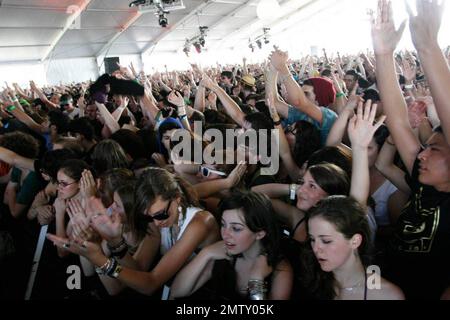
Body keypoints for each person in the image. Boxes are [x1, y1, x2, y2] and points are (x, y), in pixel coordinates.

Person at [371, 0, 450, 299]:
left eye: (437, 150)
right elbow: (399, 125)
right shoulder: (423, 186)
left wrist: (428, 46)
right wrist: (383, 53)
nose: (423, 155)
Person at [47, 167, 220, 298]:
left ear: (176, 198)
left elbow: (150, 283)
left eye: (160, 214)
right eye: (149, 216)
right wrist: (115, 243)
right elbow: (136, 272)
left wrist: (99, 258)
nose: (157, 222)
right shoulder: (158, 220)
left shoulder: (201, 222)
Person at [170, 190, 293, 300]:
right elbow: (177, 292)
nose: (225, 234)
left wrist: (257, 279)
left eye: (236, 228)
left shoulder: (281, 269)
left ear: (259, 234)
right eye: (223, 224)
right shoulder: (222, 252)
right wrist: (205, 254)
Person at [304, 196, 404, 300]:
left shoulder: (387, 296)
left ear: (355, 241)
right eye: (312, 239)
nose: (316, 248)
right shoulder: (312, 281)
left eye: (326, 241)